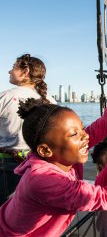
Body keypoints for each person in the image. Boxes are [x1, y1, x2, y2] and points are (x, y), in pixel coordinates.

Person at [0, 49, 107, 236]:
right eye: (74, 134)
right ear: (45, 150)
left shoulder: (61, 154)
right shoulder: (44, 179)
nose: (84, 136)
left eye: (82, 128)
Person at [0, 54, 56, 205]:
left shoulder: (5, 97)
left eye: (13, 67)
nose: (9, 71)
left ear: (25, 72)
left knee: (4, 210)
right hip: (38, 165)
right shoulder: (51, 101)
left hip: (7, 165)